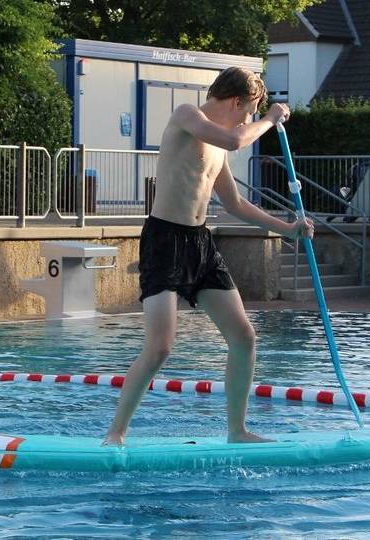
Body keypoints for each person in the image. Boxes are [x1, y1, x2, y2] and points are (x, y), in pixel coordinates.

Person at [102, 67, 314, 446]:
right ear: (237, 102)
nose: (247, 119)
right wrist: (269, 118)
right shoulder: (187, 116)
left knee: (244, 337)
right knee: (160, 347)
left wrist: (287, 228)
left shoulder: (218, 145)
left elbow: (234, 202)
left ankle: (237, 431)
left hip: (200, 244)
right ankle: (116, 434)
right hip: (164, 240)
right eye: (248, 111)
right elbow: (236, 139)